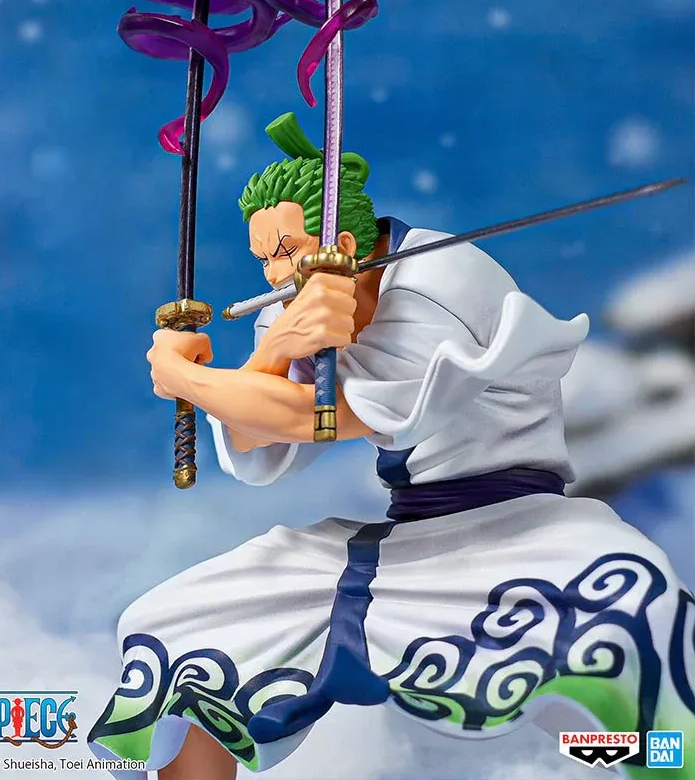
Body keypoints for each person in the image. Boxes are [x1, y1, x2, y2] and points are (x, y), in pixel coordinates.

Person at [88, 113, 695, 780]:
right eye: (264, 257)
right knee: (182, 625)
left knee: (625, 645)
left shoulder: (439, 286)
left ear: (343, 244)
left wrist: (189, 379)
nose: (274, 272)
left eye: (285, 251)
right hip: (403, 544)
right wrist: (270, 351)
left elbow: (320, 419)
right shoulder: (298, 301)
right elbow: (256, 438)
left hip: (524, 530)